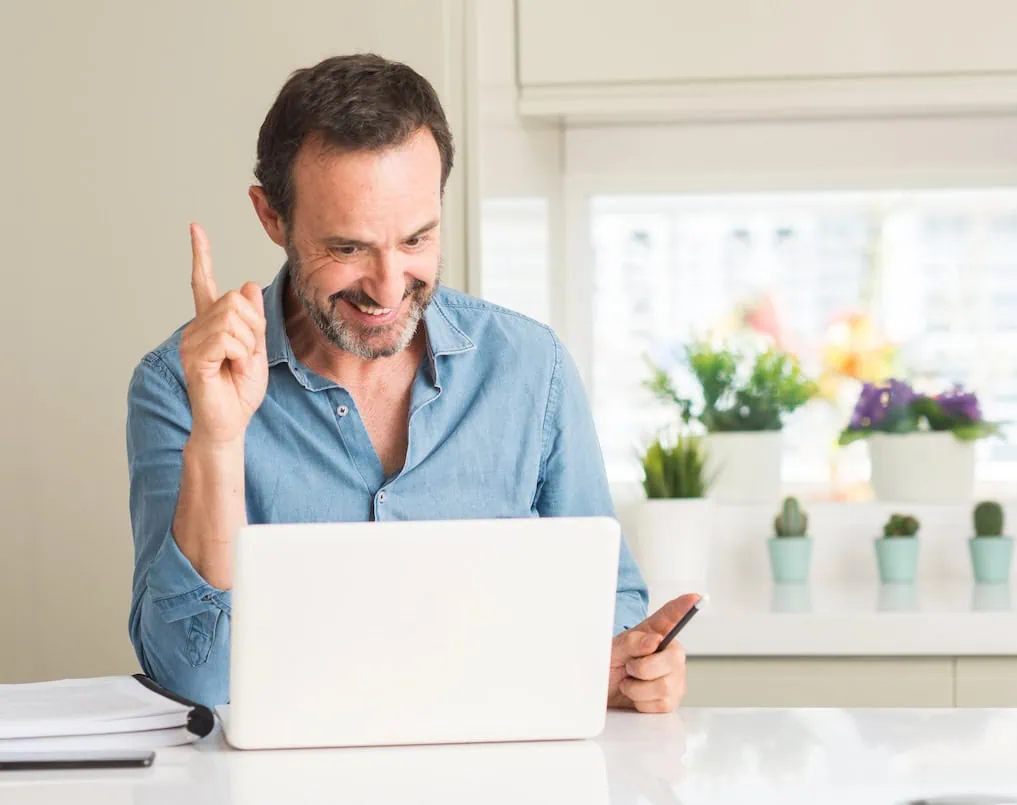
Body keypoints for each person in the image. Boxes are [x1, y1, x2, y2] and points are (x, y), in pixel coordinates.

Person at [125, 53, 696, 709]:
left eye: (416, 239)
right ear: (272, 217)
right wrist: (220, 442)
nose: (388, 286)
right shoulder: (178, 386)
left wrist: (634, 669)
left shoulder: (531, 369)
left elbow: (607, 613)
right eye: (348, 248)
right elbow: (193, 676)